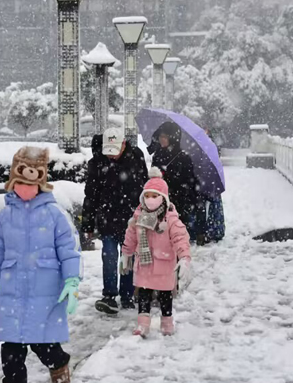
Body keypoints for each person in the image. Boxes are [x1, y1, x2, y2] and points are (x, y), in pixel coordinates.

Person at [0, 146, 82, 383]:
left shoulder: (54, 215)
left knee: (44, 342)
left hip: (45, 290)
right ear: (13, 181)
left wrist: (72, 281)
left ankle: (59, 364)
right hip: (12, 289)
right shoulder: (4, 218)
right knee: (12, 344)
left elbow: (69, 251)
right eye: (21, 182)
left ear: (40, 181)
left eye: (31, 182)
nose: (26, 187)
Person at [81, 126, 147, 314]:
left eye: (115, 151)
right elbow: (91, 195)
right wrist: (87, 223)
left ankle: (127, 295)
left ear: (123, 144)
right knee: (109, 256)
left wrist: (145, 215)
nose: (111, 156)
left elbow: (144, 187)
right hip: (107, 218)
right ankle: (109, 295)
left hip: (130, 219)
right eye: (108, 151)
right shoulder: (97, 163)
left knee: (128, 257)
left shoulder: (136, 158)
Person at [121, 168, 192, 337]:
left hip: (164, 263)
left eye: (155, 196)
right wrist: (126, 253)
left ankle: (167, 322)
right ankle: (143, 325)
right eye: (147, 196)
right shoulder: (138, 216)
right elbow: (131, 236)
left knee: (165, 295)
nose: (150, 200)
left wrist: (184, 258)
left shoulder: (171, 219)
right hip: (144, 263)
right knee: (143, 293)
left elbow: (180, 238)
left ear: (163, 198)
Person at [148, 121, 203, 241]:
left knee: (176, 238)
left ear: (172, 138)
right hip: (160, 203)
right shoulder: (157, 155)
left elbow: (189, 183)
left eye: (164, 137)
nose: (161, 139)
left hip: (179, 204)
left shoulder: (183, 158)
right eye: (160, 136)